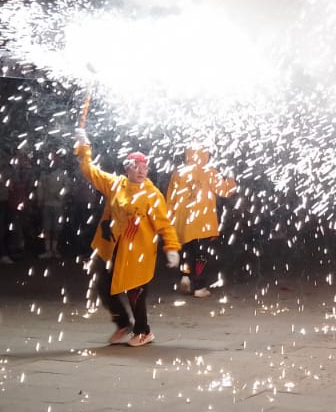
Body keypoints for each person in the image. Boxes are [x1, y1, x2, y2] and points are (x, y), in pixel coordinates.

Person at [76, 129, 181, 347]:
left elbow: (163, 223)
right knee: (103, 285)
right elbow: (89, 170)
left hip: (137, 252)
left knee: (136, 292)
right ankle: (123, 323)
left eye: (145, 168)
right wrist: (83, 146)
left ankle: (143, 331)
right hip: (109, 247)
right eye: (137, 167)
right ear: (127, 169)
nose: (142, 171)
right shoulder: (116, 184)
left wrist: (171, 246)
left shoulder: (152, 195)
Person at [165, 147, 238, 297]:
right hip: (203, 222)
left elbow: (170, 199)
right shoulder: (210, 171)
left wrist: (169, 220)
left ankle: (185, 277)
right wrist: (231, 181)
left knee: (186, 250)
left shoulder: (178, 173)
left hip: (183, 221)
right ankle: (199, 287)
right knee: (201, 254)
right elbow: (224, 191)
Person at [35, 151, 68, 260]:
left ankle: (54, 249)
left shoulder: (63, 173)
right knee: (47, 227)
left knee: (56, 228)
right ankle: (48, 250)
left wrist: (59, 195)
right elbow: (40, 187)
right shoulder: (44, 174)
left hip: (58, 204)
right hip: (47, 203)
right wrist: (40, 199)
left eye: (57, 159)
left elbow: (67, 187)